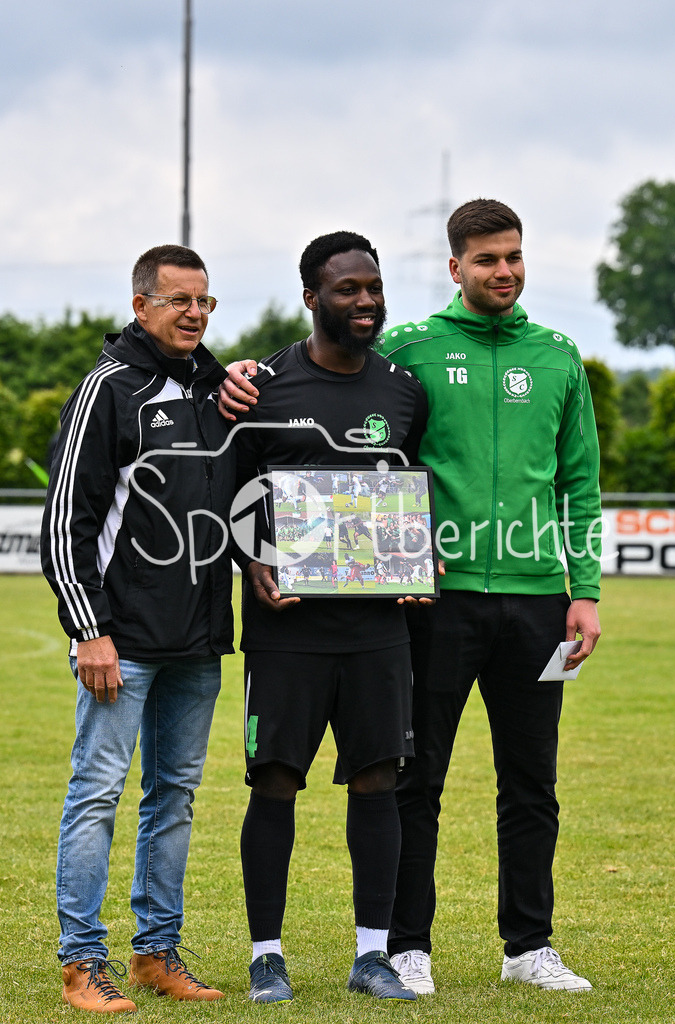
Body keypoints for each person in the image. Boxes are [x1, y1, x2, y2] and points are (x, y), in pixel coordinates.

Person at [219, 199, 602, 996]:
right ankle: (405, 945)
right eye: (487, 259)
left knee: (534, 780)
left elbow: (581, 483)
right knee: (411, 777)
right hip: (433, 601)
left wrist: (586, 592)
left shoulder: (560, 355)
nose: (505, 271)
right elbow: (327, 379)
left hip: (538, 602)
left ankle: (529, 946)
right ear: (455, 267)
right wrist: (237, 373)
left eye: (515, 257)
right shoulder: (410, 351)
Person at [231, 231, 428, 1004]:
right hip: (287, 633)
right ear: (312, 298)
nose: (367, 301)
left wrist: (421, 560)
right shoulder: (262, 387)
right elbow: (229, 497)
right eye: (348, 289)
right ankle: (266, 956)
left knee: (378, 780)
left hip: (379, 630)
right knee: (275, 780)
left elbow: (416, 489)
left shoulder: (404, 391)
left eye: (374, 287)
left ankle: (373, 955)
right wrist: (255, 562)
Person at [41, 244, 234, 1014]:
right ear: (140, 305)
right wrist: (90, 629)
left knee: (175, 798)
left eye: (205, 301)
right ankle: (81, 965)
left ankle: (156, 953)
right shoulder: (108, 389)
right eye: (178, 300)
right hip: (120, 642)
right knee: (97, 794)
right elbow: (66, 522)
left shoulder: (214, 388)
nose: (193, 313)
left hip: (199, 640)